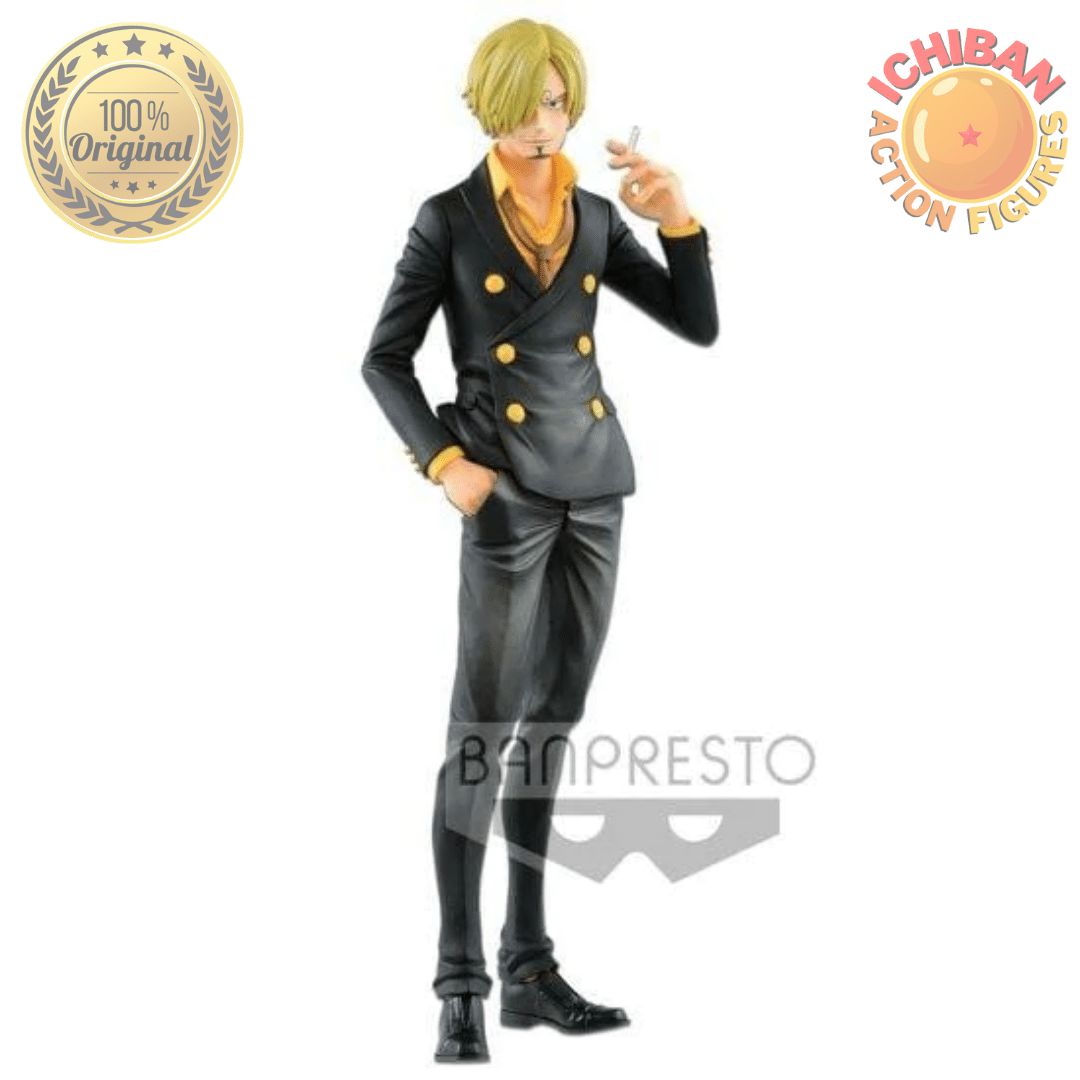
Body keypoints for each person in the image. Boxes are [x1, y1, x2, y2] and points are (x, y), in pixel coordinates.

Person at [362, 17, 718, 1063]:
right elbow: (384, 359)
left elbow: (696, 323)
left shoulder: (595, 215)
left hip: (595, 487)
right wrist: (444, 461)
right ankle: (460, 983)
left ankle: (528, 967)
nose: (541, 123)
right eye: (523, 105)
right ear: (490, 106)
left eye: (556, 103)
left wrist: (679, 220)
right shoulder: (449, 218)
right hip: (506, 494)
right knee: (480, 734)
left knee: (553, 726)